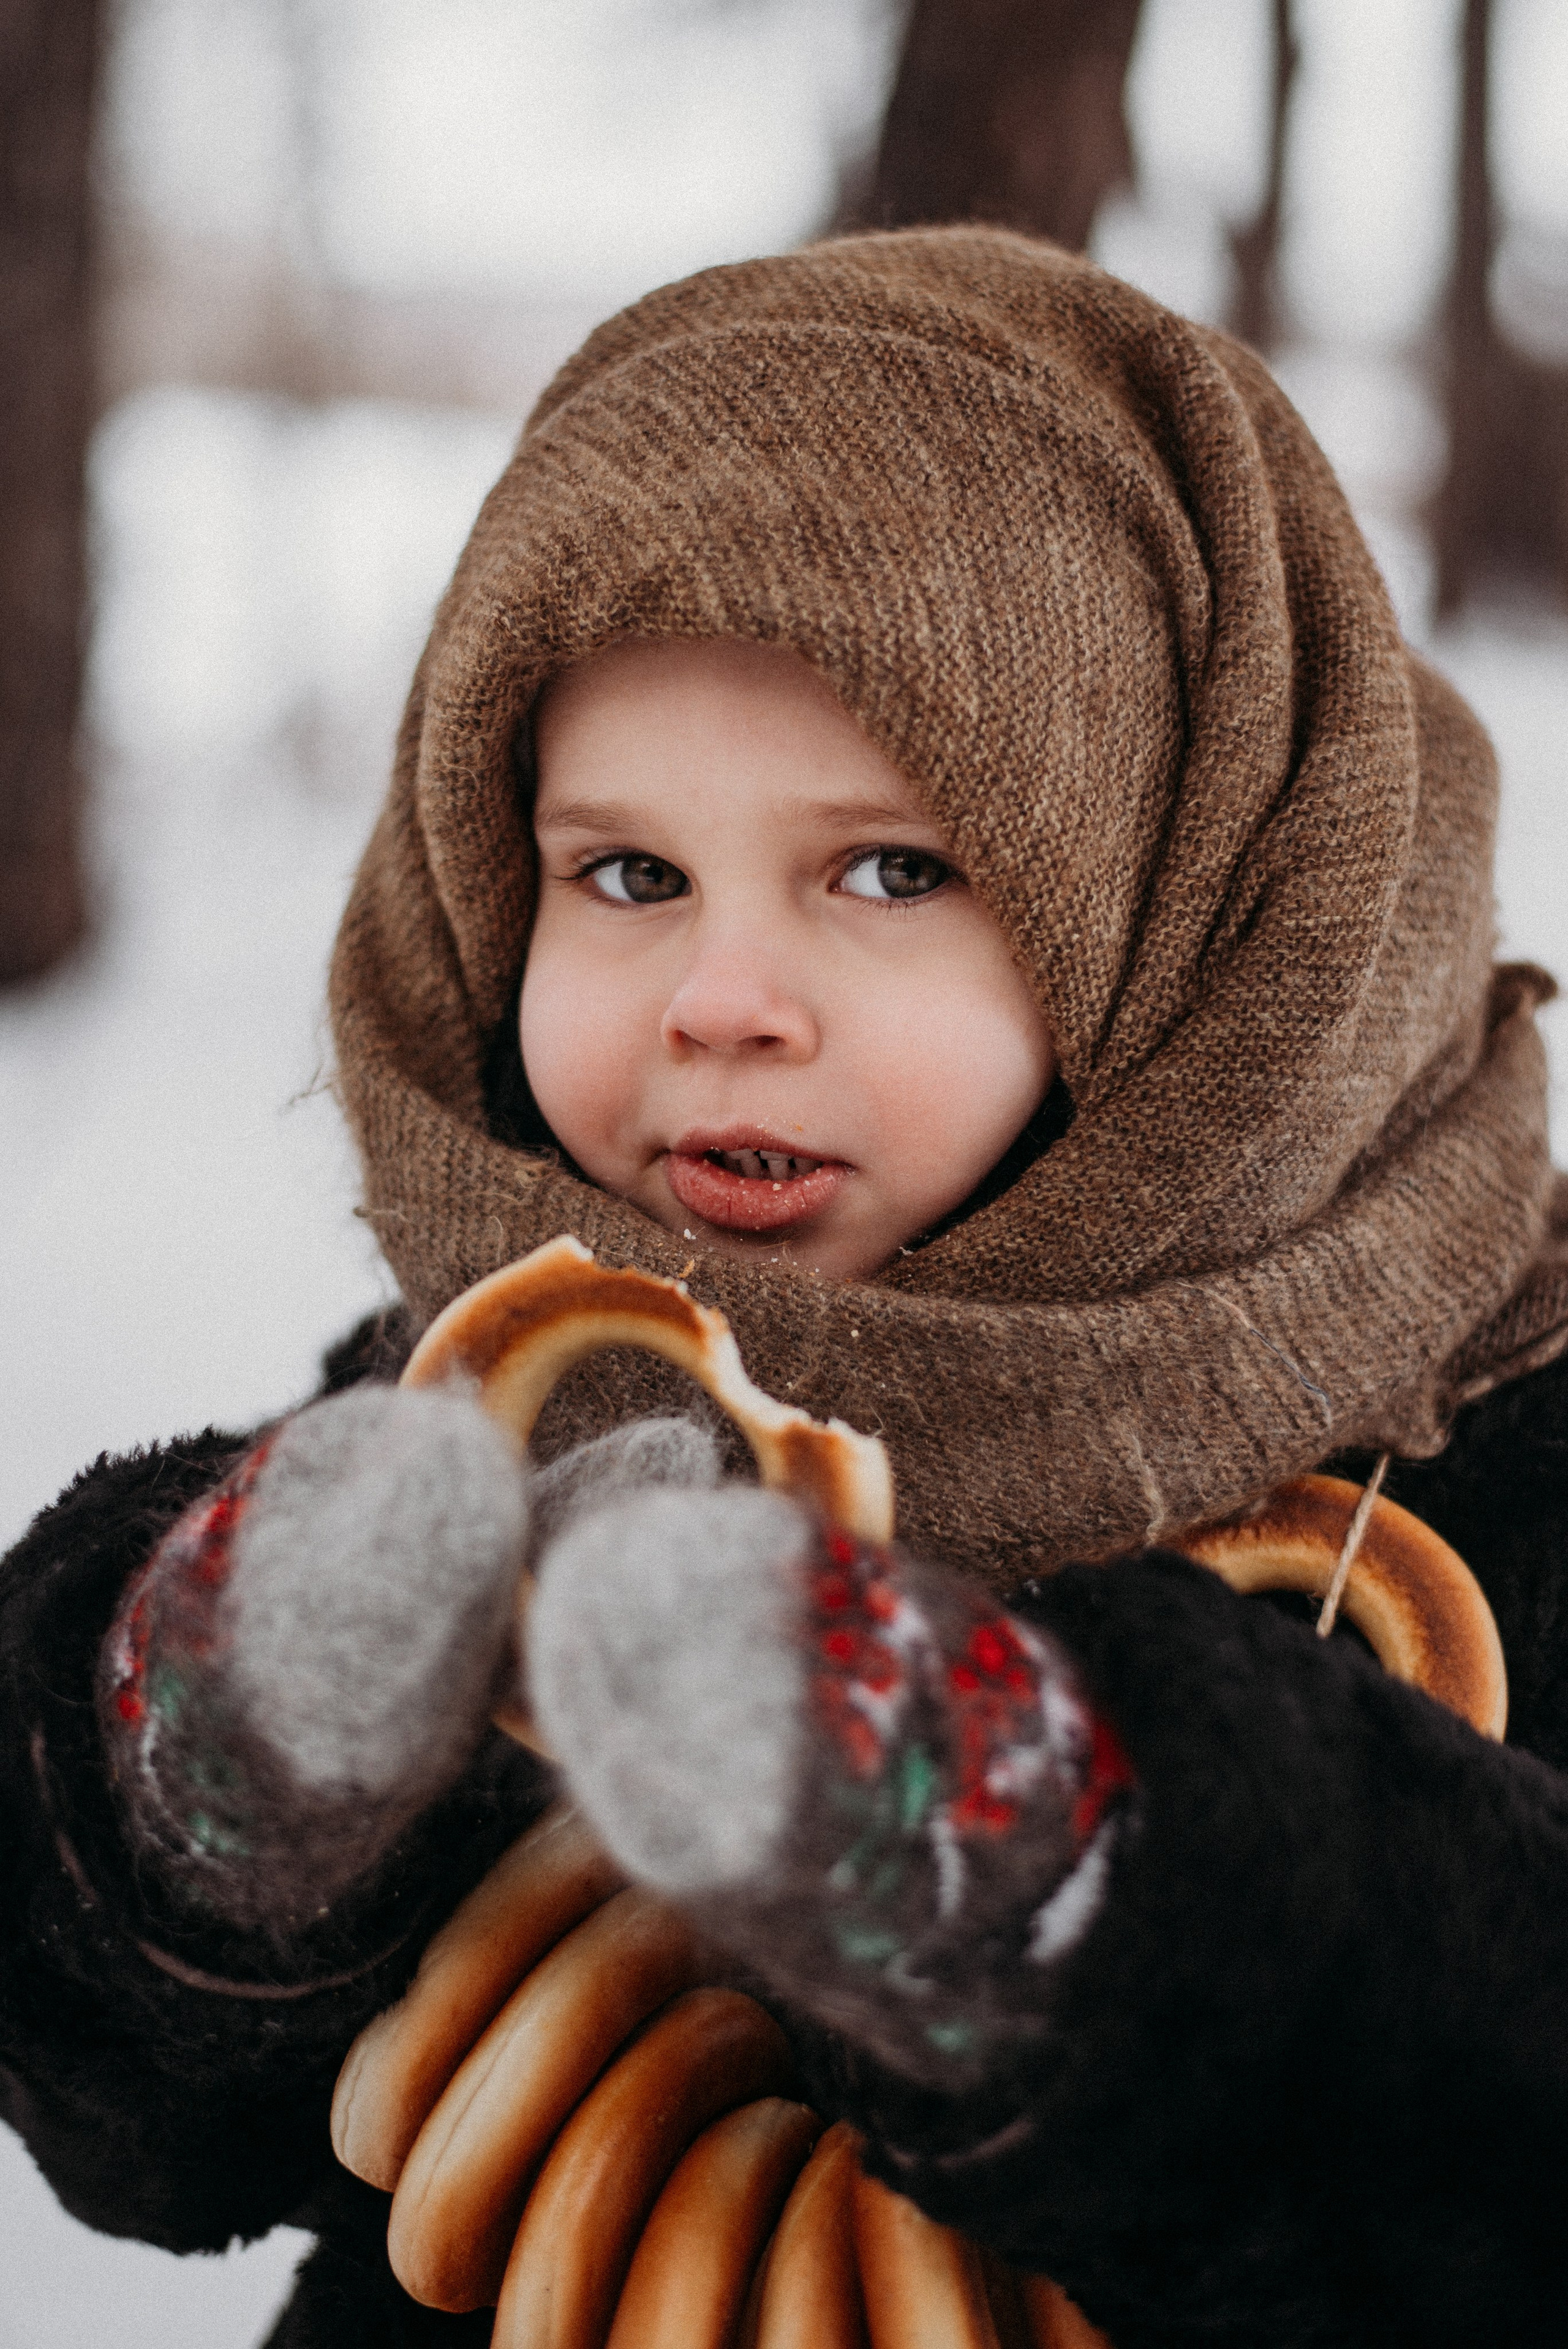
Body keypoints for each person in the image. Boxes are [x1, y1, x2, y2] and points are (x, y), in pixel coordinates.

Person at [6, 225, 1568, 2348]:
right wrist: (196, 1793)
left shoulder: (1502, 1427)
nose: (723, 998)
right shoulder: (533, 1374)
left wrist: (1086, 1877)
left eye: (893, 869)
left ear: (1177, 896)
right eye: (627, 872)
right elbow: (147, 2131)